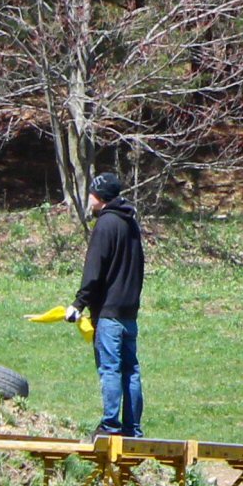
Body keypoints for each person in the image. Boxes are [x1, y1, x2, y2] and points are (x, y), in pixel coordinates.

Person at [65, 172, 145, 439]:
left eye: (91, 194)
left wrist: (79, 303)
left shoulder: (106, 225)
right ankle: (132, 429)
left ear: (100, 197)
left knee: (110, 368)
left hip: (109, 314)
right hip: (129, 313)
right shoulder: (130, 224)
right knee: (131, 371)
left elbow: (94, 270)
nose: (89, 198)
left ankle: (110, 426)